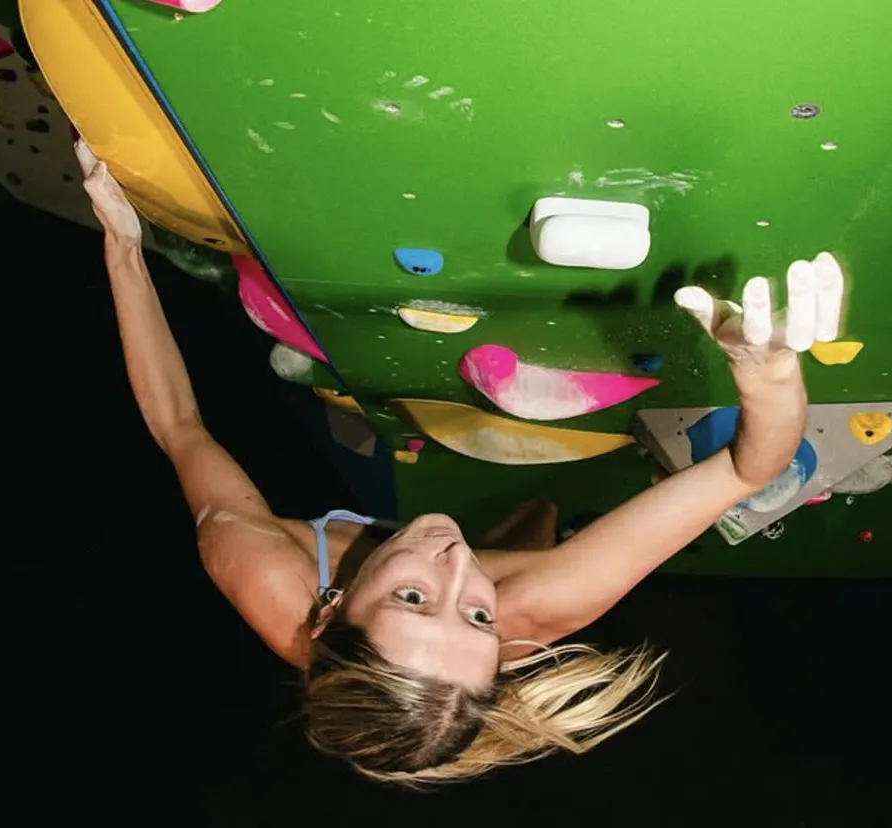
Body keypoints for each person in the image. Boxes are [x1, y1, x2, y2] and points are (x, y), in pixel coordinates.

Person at [75, 139, 844, 784]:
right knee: (534, 520)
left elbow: (179, 425)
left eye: (412, 598)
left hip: (331, 557)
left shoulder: (252, 564)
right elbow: (748, 470)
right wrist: (768, 370)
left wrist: (122, 245)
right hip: (506, 604)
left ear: (329, 612)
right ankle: (515, 554)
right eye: (476, 616)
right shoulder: (538, 606)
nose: (451, 564)